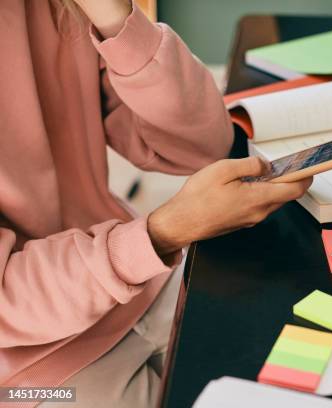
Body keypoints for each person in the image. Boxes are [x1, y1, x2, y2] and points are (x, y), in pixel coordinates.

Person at [0, 0, 312, 406]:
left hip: (136, 286)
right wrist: (161, 233)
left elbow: (200, 147)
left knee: (317, 355)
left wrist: (116, 22)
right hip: (25, 374)